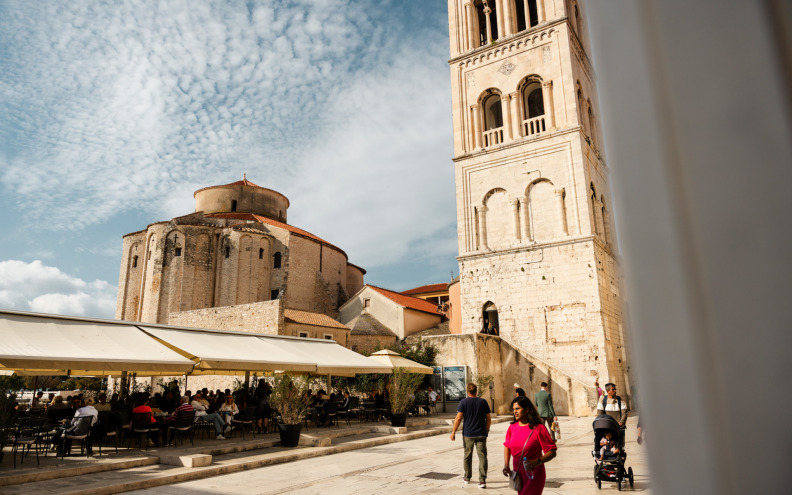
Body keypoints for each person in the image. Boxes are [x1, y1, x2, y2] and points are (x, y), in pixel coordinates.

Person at [502, 396, 557, 495]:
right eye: (514, 409)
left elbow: (552, 452)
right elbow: (507, 446)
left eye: (518, 409)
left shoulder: (538, 428)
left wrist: (537, 462)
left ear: (527, 409)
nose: (515, 412)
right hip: (518, 474)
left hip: (533, 474)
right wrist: (506, 465)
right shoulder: (512, 428)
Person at [450, 383, 492, 489]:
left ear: (467, 391)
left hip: (468, 434)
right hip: (481, 433)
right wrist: (487, 429)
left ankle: (467, 477)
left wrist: (453, 431)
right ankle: (482, 480)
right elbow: (488, 418)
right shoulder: (483, 402)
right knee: (482, 456)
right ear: (476, 391)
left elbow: (458, 418)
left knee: (467, 456)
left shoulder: (463, 402)